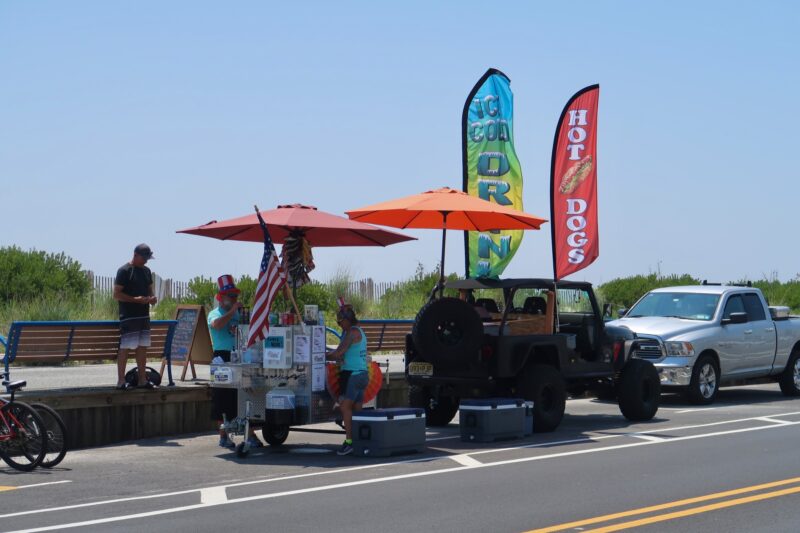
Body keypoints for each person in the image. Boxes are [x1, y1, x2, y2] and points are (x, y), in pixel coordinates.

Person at [207, 275, 263, 449]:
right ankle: (223, 435)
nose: (234, 299)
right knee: (222, 397)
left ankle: (250, 433)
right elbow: (216, 325)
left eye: (235, 296)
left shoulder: (239, 314)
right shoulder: (215, 313)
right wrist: (232, 312)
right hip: (222, 357)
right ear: (221, 297)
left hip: (238, 355)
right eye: (230, 296)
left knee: (245, 393)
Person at [113, 244, 158, 390]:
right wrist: (135, 299)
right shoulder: (124, 271)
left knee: (142, 348)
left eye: (147, 258)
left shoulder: (146, 271)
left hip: (143, 316)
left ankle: (142, 380)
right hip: (129, 316)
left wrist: (152, 299)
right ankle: (121, 381)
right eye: (144, 257)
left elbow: (150, 291)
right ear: (135, 254)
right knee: (125, 348)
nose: (146, 261)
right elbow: (116, 294)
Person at [326, 305, 368, 456]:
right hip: (362, 374)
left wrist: (321, 355)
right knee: (357, 409)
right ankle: (358, 440)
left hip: (353, 375)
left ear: (348, 320)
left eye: (340, 321)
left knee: (345, 408)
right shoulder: (359, 331)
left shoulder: (351, 333)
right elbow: (344, 353)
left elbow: (338, 353)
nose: (339, 324)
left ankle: (349, 442)